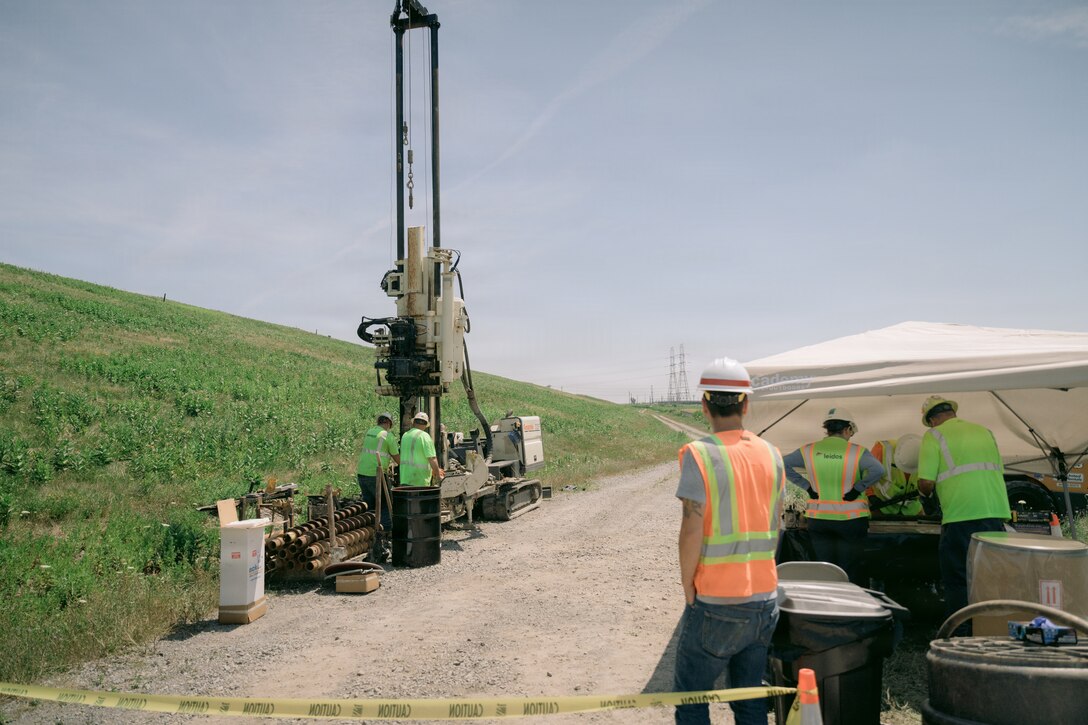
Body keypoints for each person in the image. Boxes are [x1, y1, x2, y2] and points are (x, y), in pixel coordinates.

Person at [674, 358, 785, 725]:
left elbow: (692, 528)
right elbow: (777, 522)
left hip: (717, 600)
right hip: (765, 597)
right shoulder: (773, 454)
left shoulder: (699, 454)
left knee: (692, 698)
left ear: (705, 406)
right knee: (749, 696)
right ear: (746, 404)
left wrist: (689, 586)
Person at [916, 395, 1010, 631]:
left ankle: (960, 635)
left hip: (960, 517)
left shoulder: (934, 435)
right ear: (952, 412)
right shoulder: (985, 431)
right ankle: (990, 630)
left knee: (958, 579)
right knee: (989, 578)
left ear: (932, 419)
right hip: (995, 514)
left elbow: (925, 482)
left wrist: (927, 500)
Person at [782, 407, 884, 586]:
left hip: (819, 519)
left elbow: (783, 464)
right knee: (851, 568)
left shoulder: (809, 450)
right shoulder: (857, 451)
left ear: (827, 429)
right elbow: (879, 470)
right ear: (847, 429)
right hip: (851, 520)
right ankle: (853, 607)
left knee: (826, 569)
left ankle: (828, 606)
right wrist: (857, 489)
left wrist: (807, 486)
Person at [867, 434, 924, 517]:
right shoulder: (882, 450)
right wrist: (870, 495)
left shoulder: (926, 455)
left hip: (912, 510)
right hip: (881, 507)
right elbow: (864, 474)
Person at [400, 411, 444, 487]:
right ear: (425, 425)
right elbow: (432, 459)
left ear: (413, 423)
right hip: (419, 481)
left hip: (405, 479)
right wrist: (438, 476)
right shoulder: (424, 436)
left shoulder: (405, 435)